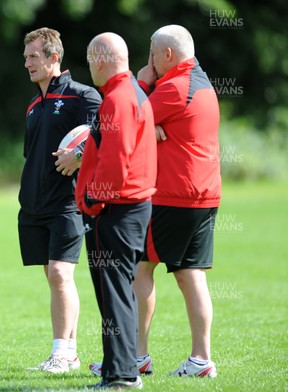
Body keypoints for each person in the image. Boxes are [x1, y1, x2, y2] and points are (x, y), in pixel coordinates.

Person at [132, 24, 221, 378]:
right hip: (205, 194)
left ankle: (135, 356)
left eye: (152, 54)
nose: (150, 61)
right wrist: (150, 128)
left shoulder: (173, 87)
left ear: (167, 54)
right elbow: (145, 123)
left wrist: (141, 82)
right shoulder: (202, 83)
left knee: (140, 267)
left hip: (172, 196)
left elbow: (125, 119)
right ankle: (201, 359)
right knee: (190, 274)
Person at [75, 32, 157, 390]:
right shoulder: (130, 93)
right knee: (118, 290)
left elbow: (116, 157)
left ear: (103, 59)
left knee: (114, 293)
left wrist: (94, 200)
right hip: (129, 207)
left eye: (92, 59)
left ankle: (122, 375)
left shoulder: (119, 98)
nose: (90, 66)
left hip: (117, 210)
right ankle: (118, 368)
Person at [19, 27, 101, 374]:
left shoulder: (83, 96)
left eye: (34, 57)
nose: (27, 64)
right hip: (34, 206)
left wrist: (80, 154)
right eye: (25, 58)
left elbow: (107, 131)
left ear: (55, 58)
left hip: (67, 204)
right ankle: (67, 351)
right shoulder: (34, 105)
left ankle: (64, 353)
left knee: (60, 274)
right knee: (53, 277)